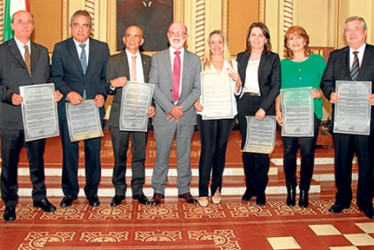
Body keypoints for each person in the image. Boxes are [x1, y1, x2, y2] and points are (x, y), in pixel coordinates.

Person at [0, 10, 63, 221]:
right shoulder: (1, 51)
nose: (25, 26)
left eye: (29, 22)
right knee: (9, 164)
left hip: (37, 117)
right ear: (12, 25)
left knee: (37, 161)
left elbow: (48, 78)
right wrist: (9, 96)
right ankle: (9, 203)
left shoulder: (42, 51)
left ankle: (40, 197)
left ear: (33, 26)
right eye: (21, 22)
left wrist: (54, 92)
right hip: (11, 117)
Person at [51, 10, 110, 208]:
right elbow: (56, 77)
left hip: (93, 109)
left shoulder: (102, 48)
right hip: (70, 108)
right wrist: (68, 93)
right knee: (70, 152)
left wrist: (102, 94)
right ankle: (69, 192)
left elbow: (105, 78)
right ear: (71, 27)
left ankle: (92, 192)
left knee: (94, 152)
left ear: (90, 28)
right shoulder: (60, 48)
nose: (80, 29)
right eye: (77, 24)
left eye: (85, 25)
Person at [321, 16, 374, 219]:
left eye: (355, 29)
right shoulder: (336, 56)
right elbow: (326, 81)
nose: (351, 34)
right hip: (342, 120)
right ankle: (342, 199)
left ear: (365, 32)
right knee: (341, 162)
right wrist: (330, 93)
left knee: (367, 162)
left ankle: (365, 202)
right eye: (347, 30)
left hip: (367, 121)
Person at [150, 21, 201, 205]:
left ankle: (184, 189)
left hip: (186, 115)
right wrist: (170, 108)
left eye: (181, 32)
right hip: (164, 114)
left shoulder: (195, 60)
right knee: (162, 153)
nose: (177, 35)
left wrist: (181, 108)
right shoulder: (157, 58)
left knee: (184, 154)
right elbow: (153, 86)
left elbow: (197, 88)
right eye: (173, 32)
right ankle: (158, 189)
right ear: (168, 35)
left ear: (186, 37)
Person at [275, 26, 326, 208]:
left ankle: (304, 190)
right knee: (288, 152)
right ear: (287, 44)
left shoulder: (317, 61)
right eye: (290, 39)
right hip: (289, 113)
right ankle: (291, 189)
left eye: (298, 38)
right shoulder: (283, 64)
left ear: (305, 40)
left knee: (306, 152)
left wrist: (319, 93)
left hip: (310, 113)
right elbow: (279, 90)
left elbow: (328, 85)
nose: (295, 42)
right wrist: (278, 110)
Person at [106, 25, 155, 206]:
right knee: (119, 155)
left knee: (139, 155)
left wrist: (153, 106)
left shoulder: (149, 62)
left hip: (141, 115)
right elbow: (107, 89)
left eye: (136, 36)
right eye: (129, 36)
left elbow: (154, 88)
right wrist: (113, 84)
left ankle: (138, 190)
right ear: (124, 39)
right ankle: (119, 191)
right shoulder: (113, 61)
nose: (132, 39)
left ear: (142, 41)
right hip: (120, 116)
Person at [194, 30, 241, 207]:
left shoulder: (233, 64)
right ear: (208, 45)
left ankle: (216, 188)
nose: (216, 46)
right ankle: (202, 191)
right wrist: (195, 102)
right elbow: (194, 87)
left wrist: (238, 82)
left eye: (219, 42)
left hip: (227, 114)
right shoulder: (201, 65)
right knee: (208, 151)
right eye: (212, 42)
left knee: (220, 151)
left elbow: (237, 92)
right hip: (207, 113)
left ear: (224, 44)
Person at [236, 22, 280, 206]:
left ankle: (261, 190)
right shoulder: (240, 57)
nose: (256, 39)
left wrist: (263, 108)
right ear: (248, 38)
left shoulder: (273, 58)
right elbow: (236, 83)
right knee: (247, 150)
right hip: (245, 103)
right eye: (253, 35)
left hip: (265, 105)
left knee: (261, 150)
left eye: (260, 35)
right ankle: (250, 187)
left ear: (266, 39)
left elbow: (276, 85)